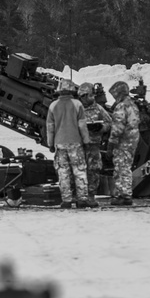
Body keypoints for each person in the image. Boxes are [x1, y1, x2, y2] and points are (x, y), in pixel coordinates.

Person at [45, 79, 94, 209]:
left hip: (60, 144)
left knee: (63, 172)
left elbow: (50, 127)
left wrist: (50, 144)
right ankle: (82, 199)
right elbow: (82, 126)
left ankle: (66, 200)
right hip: (76, 143)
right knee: (79, 171)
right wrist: (86, 141)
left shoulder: (53, 106)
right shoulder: (77, 104)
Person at [78, 82, 112, 206]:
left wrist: (100, 128)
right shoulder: (76, 108)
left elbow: (109, 123)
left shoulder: (98, 109)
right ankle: (80, 197)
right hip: (79, 145)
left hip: (93, 145)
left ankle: (91, 197)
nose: (90, 98)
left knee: (94, 171)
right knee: (79, 171)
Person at [107, 80, 140, 206]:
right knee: (126, 166)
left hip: (123, 141)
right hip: (132, 140)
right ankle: (124, 193)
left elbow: (117, 128)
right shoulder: (133, 105)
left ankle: (124, 195)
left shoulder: (121, 106)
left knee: (121, 167)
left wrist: (111, 144)